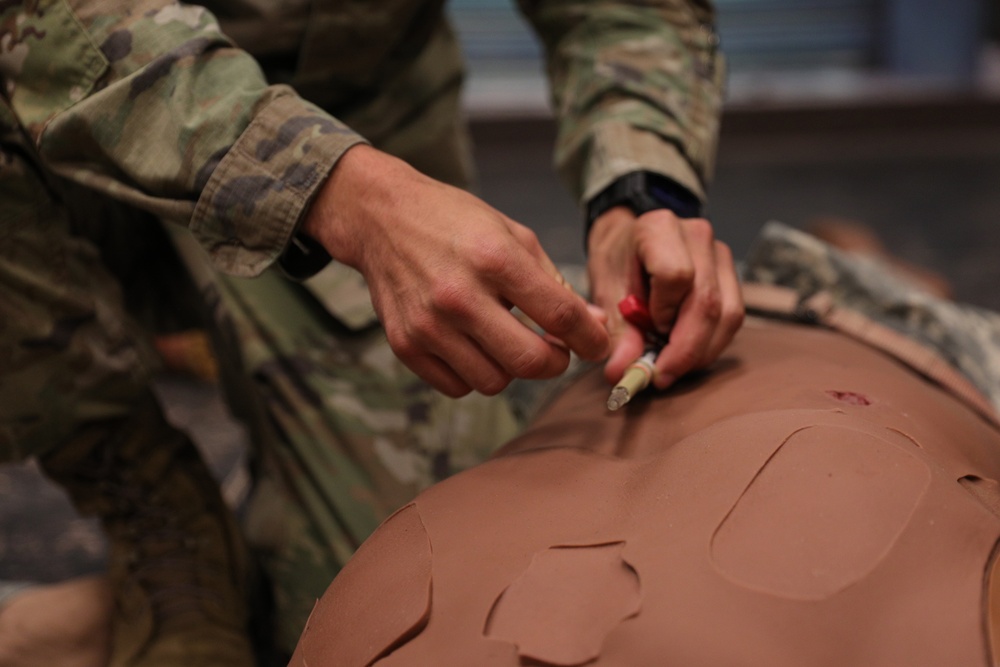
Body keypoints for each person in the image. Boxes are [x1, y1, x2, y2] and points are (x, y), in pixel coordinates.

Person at [0, 0, 743, 664]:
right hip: (61, 142)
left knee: (417, 597)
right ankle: (155, 507)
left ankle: (249, 552)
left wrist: (637, 189)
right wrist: (346, 191)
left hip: (374, 134)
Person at [288, 222, 1000, 666]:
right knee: (879, 287)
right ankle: (856, 259)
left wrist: (634, 198)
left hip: (650, 360)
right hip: (903, 357)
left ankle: (847, 258)